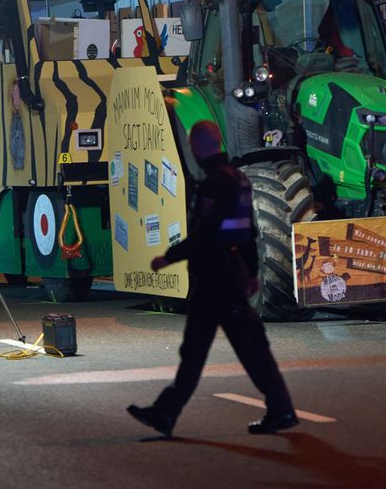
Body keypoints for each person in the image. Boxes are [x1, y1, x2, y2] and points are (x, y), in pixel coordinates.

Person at [127, 121, 298, 436]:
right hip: (228, 275)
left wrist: (170, 256)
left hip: (216, 280)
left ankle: (281, 409)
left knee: (244, 349)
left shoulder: (214, 183)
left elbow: (206, 235)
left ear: (199, 146)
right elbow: (247, 233)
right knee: (202, 350)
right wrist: (252, 272)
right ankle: (165, 413)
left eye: (193, 144)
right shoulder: (240, 180)